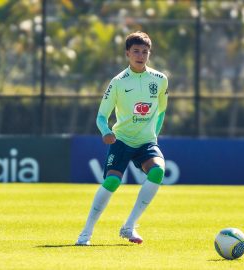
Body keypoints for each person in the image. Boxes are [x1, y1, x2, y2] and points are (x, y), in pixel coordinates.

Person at [76, 31, 168, 246]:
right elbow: (101, 116)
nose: (141, 55)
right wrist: (106, 132)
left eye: (145, 52)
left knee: (158, 171)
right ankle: (85, 234)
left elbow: (162, 110)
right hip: (122, 141)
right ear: (127, 53)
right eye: (136, 51)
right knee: (112, 181)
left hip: (146, 142)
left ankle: (129, 226)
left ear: (149, 54)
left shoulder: (160, 80)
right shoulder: (118, 82)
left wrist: (154, 135)